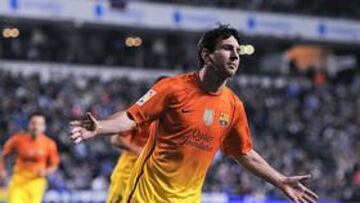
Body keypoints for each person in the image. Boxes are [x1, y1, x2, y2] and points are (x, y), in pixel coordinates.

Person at [70, 25, 318, 203]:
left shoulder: (233, 106)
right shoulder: (172, 88)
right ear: (206, 55)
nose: (235, 55)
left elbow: (244, 153)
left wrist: (280, 180)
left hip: (189, 198)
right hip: (147, 196)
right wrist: (100, 127)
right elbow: (131, 117)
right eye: (227, 49)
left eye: (238, 51)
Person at [0, 112, 60, 203]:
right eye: (33, 123)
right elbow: (2, 155)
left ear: (44, 127)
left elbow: (54, 165)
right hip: (19, 181)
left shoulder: (50, 144)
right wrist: (2, 171)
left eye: (40, 124)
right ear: (28, 124)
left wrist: (46, 171)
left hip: (36, 183)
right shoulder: (17, 139)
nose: (36, 127)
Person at [106, 122, 157, 203]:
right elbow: (116, 139)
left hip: (151, 175)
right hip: (128, 172)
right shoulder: (142, 114)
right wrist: (137, 149)